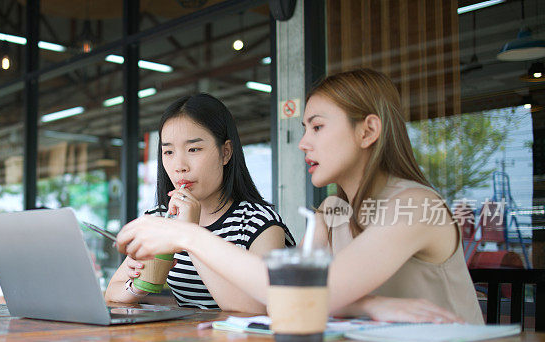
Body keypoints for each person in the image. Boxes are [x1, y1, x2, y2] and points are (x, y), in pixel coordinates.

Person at [115, 69, 483, 324]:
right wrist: (371, 305)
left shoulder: (415, 205)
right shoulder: (332, 212)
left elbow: (293, 293)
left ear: (368, 130)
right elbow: (298, 296)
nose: (304, 143)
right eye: (304, 128)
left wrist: (187, 235)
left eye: (318, 127)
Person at [104, 93, 295, 312]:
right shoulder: (161, 218)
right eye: (168, 151)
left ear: (225, 153)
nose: (179, 165)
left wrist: (189, 235)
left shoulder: (258, 222)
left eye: (193, 149)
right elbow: (113, 292)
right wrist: (138, 283)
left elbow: (256, 307)